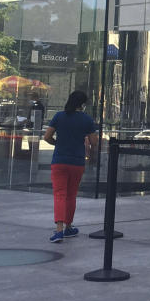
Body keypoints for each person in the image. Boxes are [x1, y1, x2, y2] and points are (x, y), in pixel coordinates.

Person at [43, 90, 98, 242]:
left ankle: (58, 230)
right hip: (77, 161)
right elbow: (94, 142)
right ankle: (68, 227)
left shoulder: (59, 116)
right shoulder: (87, 120)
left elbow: (47, 137)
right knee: (71, 195)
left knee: (60, 194)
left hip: (60, 160)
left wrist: (58, 143)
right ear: (82, 104)